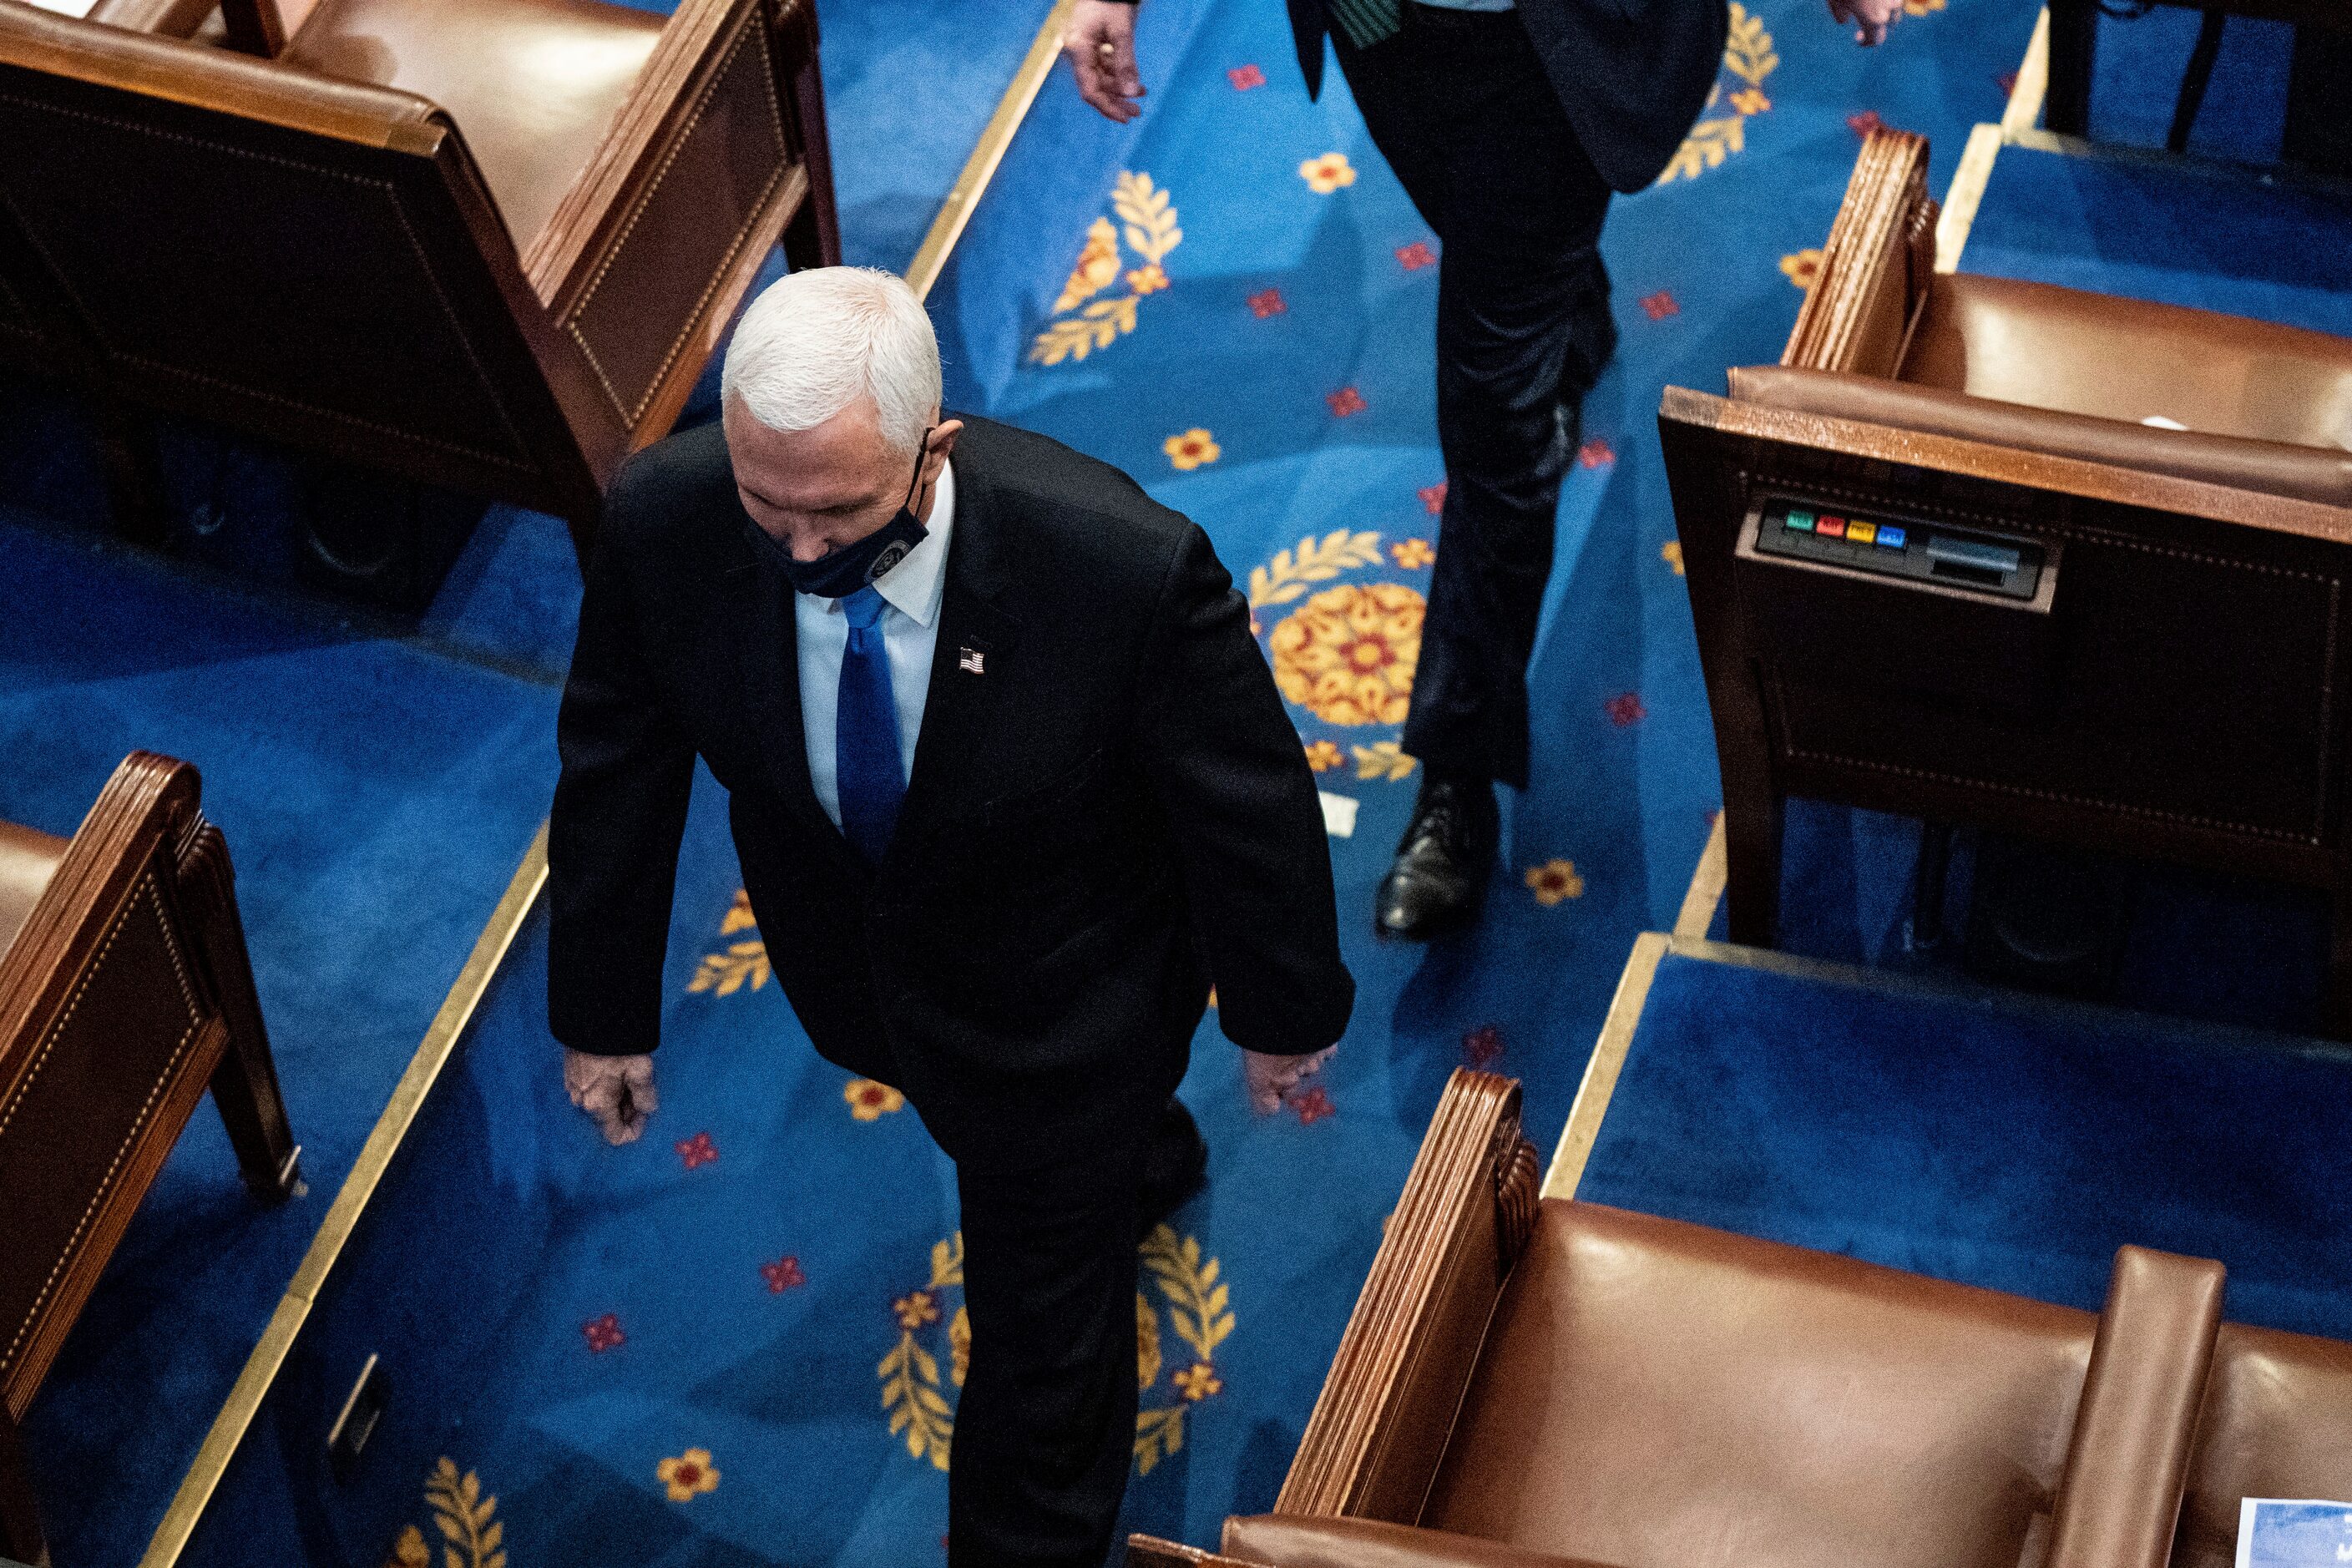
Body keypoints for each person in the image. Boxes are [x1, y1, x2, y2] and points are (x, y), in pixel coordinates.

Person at [548, 266, 1352, 1566]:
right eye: (769, 509)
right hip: (860, 981)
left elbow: (1245, 802)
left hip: (1071, 998)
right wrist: (601, 1011)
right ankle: (1145, 1158)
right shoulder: (664, 518)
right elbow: (616, 765)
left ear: (935, 452)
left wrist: (1279, 1011)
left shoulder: (1119, 567)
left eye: (838, 516)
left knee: (1045, 1341)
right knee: (1064, 1160)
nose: (801, 557)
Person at [1068, 0, 1910, 940]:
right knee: (1494, 250)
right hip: (1376, 21)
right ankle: (1562, 312)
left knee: (1494, 429)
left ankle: (1457, 778)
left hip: (1544, 55)